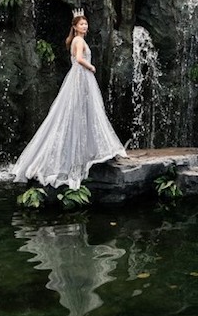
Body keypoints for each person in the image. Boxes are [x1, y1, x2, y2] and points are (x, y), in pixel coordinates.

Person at [12, 12, 126, 189]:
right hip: (81, 76)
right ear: (75, 27)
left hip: (80, 77)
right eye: (81, 24)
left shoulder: (77, 40)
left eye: (86, 24)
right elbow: (79, 59)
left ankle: (82, 153)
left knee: (80, 113)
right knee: (81, 112)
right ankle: (76, 158)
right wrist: (91, 66)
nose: (85, 27)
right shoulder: (78, 41)